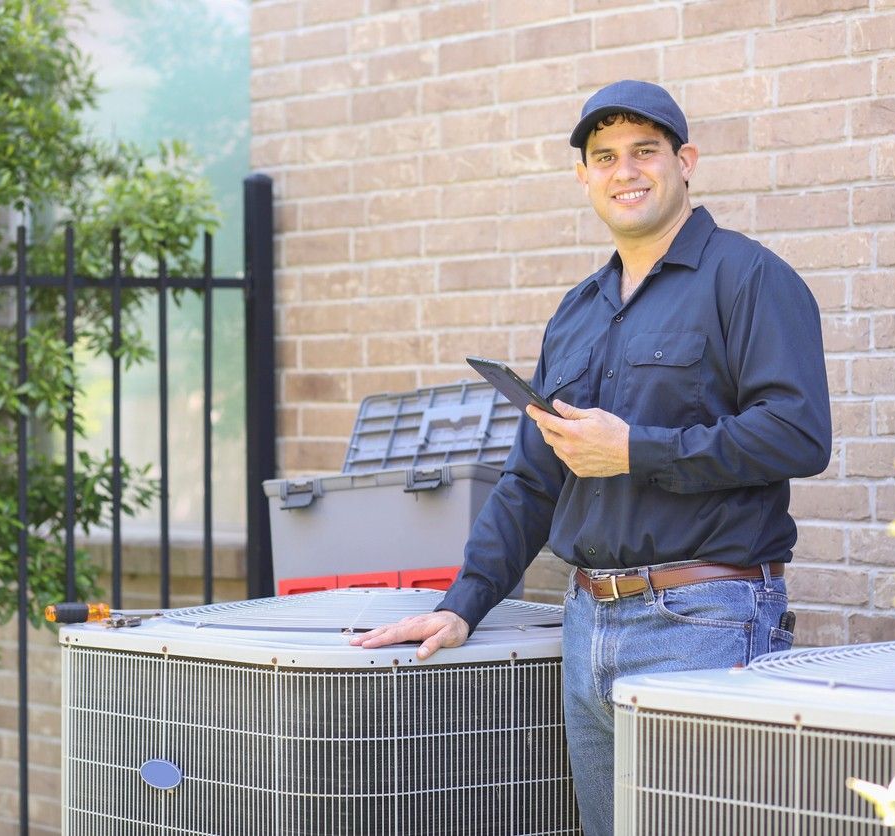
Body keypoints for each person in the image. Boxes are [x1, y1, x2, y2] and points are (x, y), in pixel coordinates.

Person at [351, 80, 832, 835]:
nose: (625, 170)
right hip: (587, 626)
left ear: (686, 162)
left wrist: (636, 450)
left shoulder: (748, 279)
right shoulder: (578, 311)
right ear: (584, 177)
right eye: (604, 156)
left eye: (645, 150)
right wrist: (460, 605)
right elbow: (532, 478)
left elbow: (800, 435)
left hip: (703, 619)